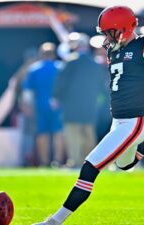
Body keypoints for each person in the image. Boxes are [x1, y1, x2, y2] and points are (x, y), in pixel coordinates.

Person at [32, 6, 144, 225]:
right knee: (125, 166)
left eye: (109, 32)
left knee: (90, 167)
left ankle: (54, 221)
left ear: (124, 29)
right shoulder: (115, 50)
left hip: (134, 122)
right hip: (119, 121)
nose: (106, 37)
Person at [53, 32, 108, 168]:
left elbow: (61, 82)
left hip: (71, 105)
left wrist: (56, 97)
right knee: (88, 133)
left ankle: (76, 161)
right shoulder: (95, 64)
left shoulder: (70, 61)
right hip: (90, 104)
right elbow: (102, 86)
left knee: (73, 133)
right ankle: (89, 162)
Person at [22, 42, 65, 167]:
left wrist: (27, 106)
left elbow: (28, 90)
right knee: (58, 133)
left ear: (41, 54)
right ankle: (57, 161)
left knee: (42, 133)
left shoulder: (34, 69)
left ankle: (44, 162)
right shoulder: (61, 67)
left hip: (40, 106)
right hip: (58, 106)